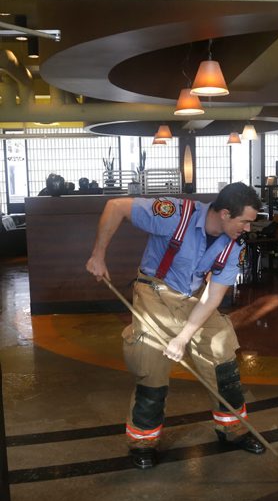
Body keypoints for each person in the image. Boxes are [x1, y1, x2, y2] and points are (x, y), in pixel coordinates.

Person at [85, 182, 265, 469]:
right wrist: (98, 254)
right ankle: (143, 440)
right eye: (244, 221)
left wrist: (183, 337)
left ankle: (233, 428)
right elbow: (115, 207)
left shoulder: (234, 246)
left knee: (221, 350)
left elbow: (212, 297)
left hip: (194, 297)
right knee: (150, 362)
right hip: (154, 290)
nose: (247, 228)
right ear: (224, 214)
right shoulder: (175, 214)